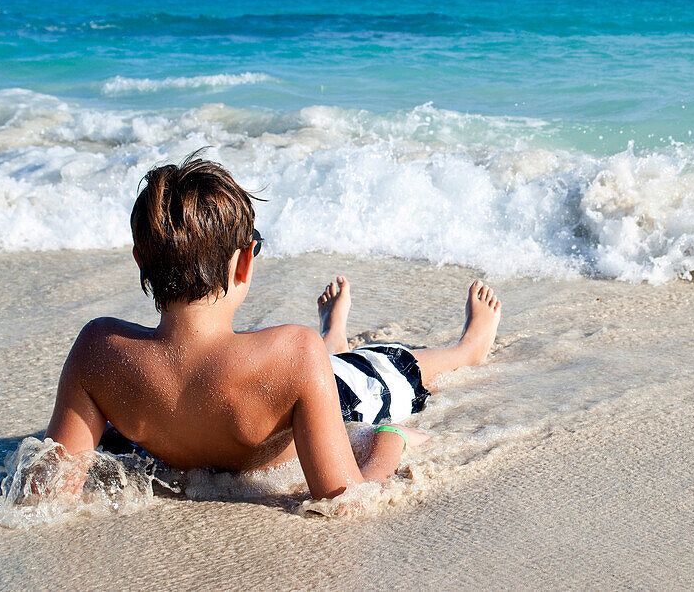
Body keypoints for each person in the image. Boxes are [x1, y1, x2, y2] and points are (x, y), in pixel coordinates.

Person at [43, 153, 501, 500]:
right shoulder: (294, 352)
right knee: (383, 366)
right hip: (306, 388)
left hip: (283, 378)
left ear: (140, 259)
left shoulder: (99, 352)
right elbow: (344, 499)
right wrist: (390, 444)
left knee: (320, 360)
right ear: (245, 262)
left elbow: (48, 492)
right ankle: (468, 349)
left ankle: (334, 335)